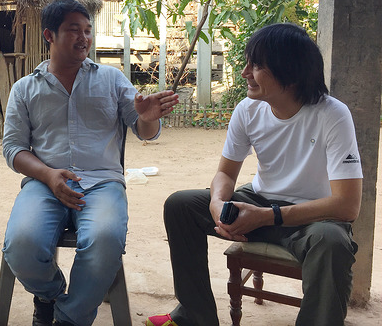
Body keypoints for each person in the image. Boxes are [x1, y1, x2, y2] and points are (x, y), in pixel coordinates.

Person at [147, 23, 362, 326]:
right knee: (180, 205)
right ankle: (193, 315)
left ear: (291, 72)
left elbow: (347, 206)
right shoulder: (248, 110)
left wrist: (266, 216)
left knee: (332, 242)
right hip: (259, 201)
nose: (246, 72)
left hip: (312, 218)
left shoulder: (332, 115)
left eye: (257, 65)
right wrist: (217, 204)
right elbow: (225, 173)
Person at [2, 0, 180, 326]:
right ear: (49, 35)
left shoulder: (111, 80)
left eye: (88, 30)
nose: (84, 37)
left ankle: (67, 319)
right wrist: (48, 175)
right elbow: (13, 149)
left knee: (106, 239)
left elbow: (144, 130)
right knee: (21, 245)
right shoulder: (25, 89)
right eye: (74, 30)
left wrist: (149, 118)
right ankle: (51, 295)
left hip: (102, 183)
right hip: (45, 183)